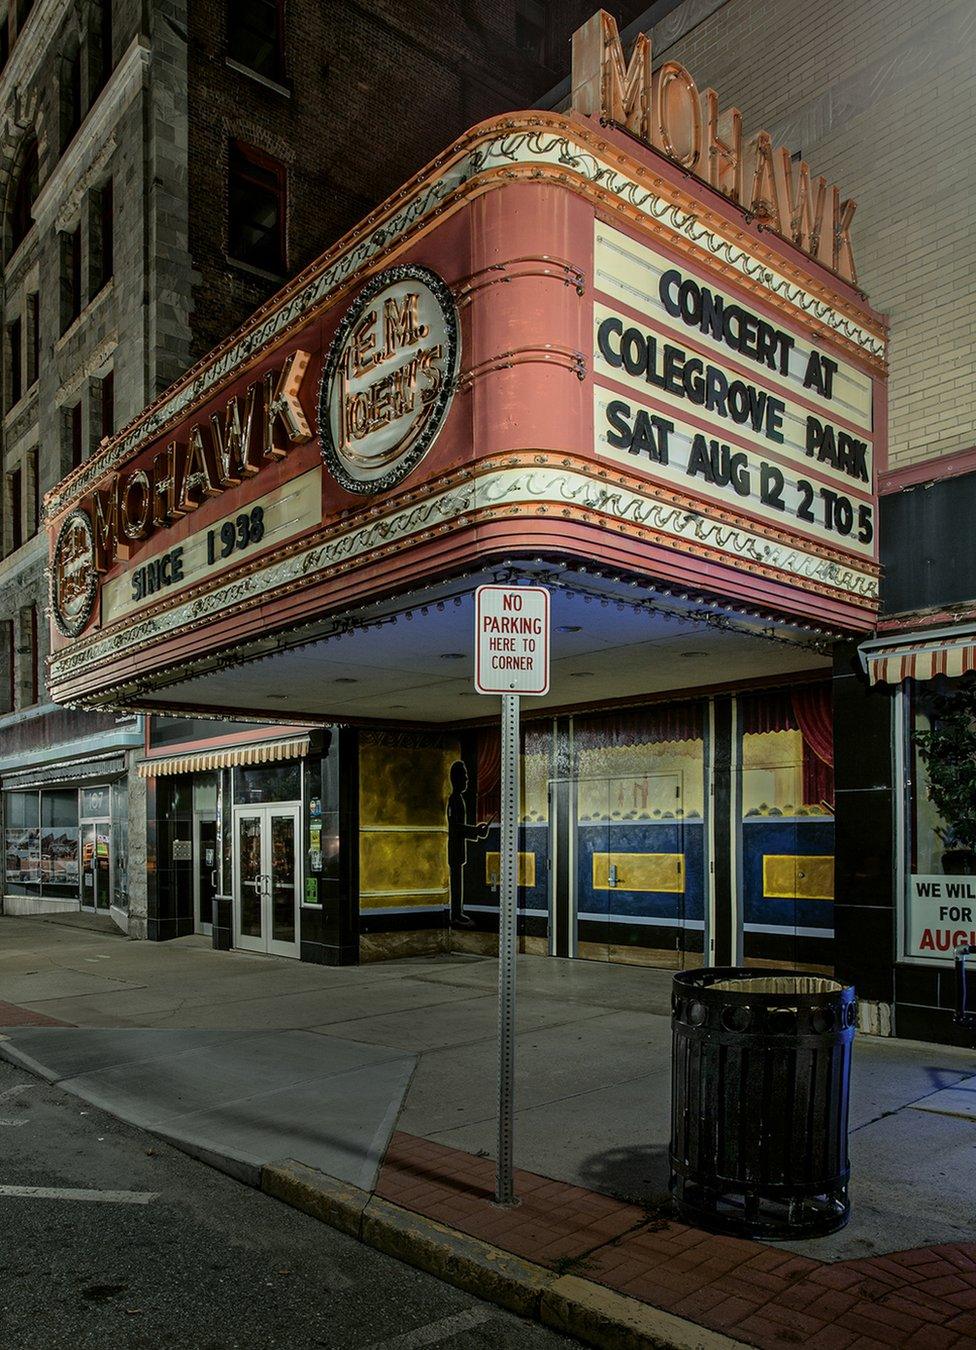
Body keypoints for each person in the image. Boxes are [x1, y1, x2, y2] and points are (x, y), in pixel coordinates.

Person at [447, 760, 489, 927]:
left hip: (457, 849)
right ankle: (455, 913)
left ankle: (457, 912)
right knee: (456, 882)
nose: (467, 780)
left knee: (458, 881)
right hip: (455, 849)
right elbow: (455, 827)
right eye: (464, 777)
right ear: (455, 779)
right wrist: (476, 831)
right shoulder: (454, 799)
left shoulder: (458, 799)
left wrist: (475, 831)